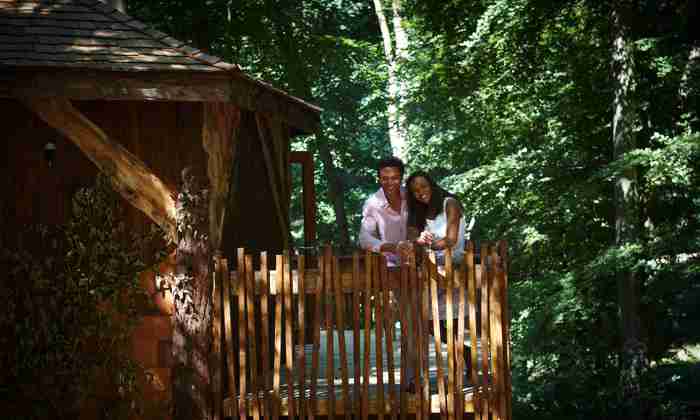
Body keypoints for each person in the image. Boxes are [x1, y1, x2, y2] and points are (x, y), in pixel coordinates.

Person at [405, 171, 470, 390]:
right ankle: (464, 353)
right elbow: (412, 238)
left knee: (450, 321)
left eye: (423, 187)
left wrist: (427, 244)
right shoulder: (419, 212)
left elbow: (451, 239)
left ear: (432, 185)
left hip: (453, 264)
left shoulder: (449, 203)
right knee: (425, 322)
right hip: (431, 266)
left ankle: (458, 373)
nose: (420, 193)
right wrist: (418, 239)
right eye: (415, 191)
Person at [359, 156, 412, 266]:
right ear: (379, 179)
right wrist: (391, 247)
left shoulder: (412, 197)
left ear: (402, 177)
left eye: (394, 178)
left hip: (418, 260)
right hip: (389, 265)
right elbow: (364, 238)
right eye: (385, 178)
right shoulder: (372, 204)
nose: (390, 183)